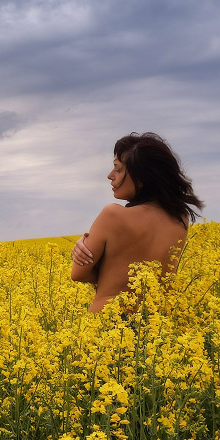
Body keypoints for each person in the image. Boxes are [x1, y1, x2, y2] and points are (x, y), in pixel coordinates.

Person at [69, 132, 203, 312]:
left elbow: (78, 274)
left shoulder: (112, 215)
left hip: (107, 324)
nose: (110, 175)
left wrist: (85, 254)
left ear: (141, 177)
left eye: (117, 168)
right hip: (155, 326)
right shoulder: (180, 218)